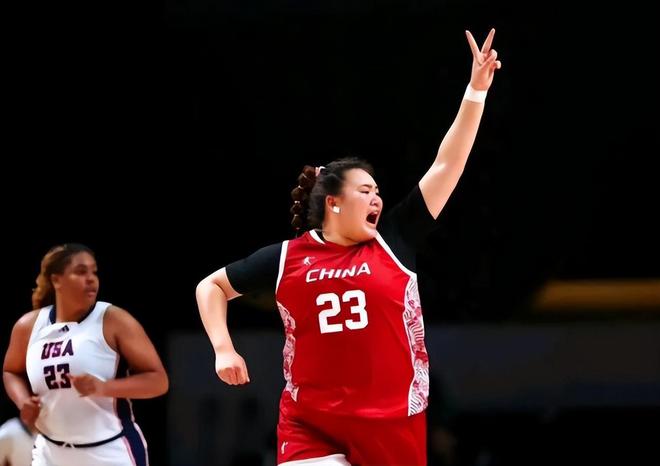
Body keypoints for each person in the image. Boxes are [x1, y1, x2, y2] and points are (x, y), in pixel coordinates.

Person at [196, 28, 501, 466]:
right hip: (310, 420)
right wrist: (223, 347)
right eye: (365, 190)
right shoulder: (286, 258)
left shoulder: (395, 238)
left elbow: (447, 164)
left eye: (378, 191)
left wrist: (476, 91)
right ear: (333, 203)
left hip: (391, 420)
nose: (377, 198)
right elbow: (211, 287)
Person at [2, 243, 169, 466]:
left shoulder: (113, 319)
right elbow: (10, 371)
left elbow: (158, 381)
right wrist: (23, 401)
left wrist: (104, 387)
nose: (91, 279)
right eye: (81, 272)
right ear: (56, 280)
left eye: (94, 272)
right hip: (50, 452)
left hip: (110, 451)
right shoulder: (28, 326)